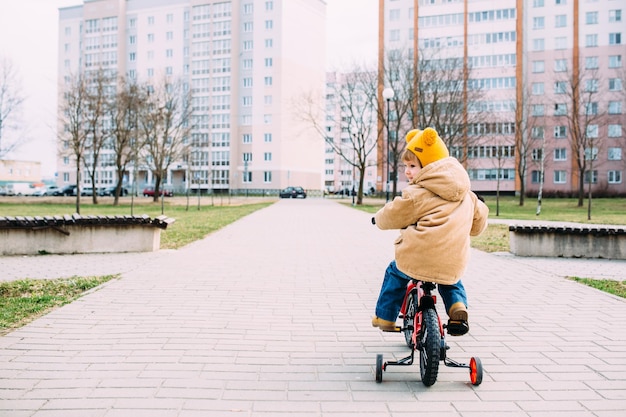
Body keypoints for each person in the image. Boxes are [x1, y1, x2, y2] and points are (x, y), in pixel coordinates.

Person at [371, 127, 489, 336]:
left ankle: (385, 316)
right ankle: (457, 307)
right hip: (452, 257)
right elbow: (478, 225)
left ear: (430, 166)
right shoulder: (467, 195)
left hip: (418, 256)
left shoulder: (418, 193)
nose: (407, 171)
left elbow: (394, 213)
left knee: (394, 272)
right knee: (451, 277)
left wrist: (378, 219)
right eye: (405, 166)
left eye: (413, 166)